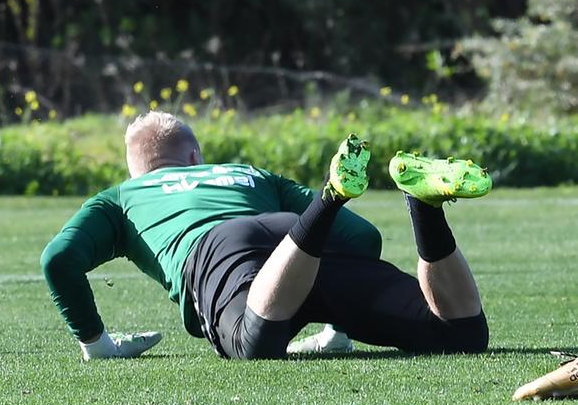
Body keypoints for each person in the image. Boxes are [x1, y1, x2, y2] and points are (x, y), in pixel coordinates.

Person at [40, 111, 491, 361]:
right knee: (460, 335)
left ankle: (331, 196)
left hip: (220, 250)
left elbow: (58, 259)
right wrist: (338, 327)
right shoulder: (246, 173)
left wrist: (97, 343)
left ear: (135, 168)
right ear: (195, 156)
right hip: (292, 237)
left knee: (251, 343)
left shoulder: (123, 196)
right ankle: (422, 206)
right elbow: (362, 238)